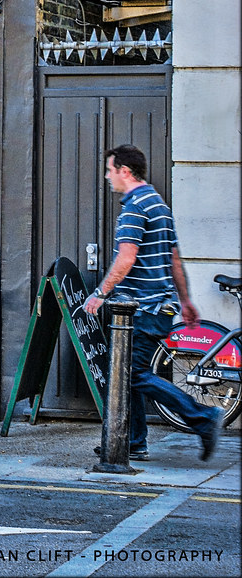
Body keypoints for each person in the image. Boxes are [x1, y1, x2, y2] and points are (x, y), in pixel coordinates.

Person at [84, 144, 222, 463]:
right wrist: (185, 302)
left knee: (132, 374)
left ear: (125, 172)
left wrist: (100, 293)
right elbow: (174, 259)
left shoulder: (134, 207)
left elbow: (126, 259)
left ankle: (204, 418)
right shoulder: (159, 204)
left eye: (110, 170)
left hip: (143, 309)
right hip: (163, 306)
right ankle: (132, 441)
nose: (107, 177)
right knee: (127, 372)